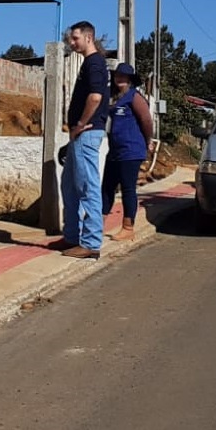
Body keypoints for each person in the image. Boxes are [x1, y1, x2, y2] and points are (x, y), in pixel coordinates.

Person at [58, 21, 109, 259]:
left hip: (86, 133)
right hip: (79, 135)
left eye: (75, 38)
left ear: (89, 37)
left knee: (87, 187)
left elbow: (96, 97)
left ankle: (90, 243)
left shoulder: (95, 62)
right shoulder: (89, 63)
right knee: (69, 185)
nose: (71, 42)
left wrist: (80, 124)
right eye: (71, 38)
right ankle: (71, 237)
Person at [103, 63, 155, 241]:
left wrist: (147, 141)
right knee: (107, 187)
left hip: (131, 150)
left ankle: (128, 227)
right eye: (118, 75)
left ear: (130, 80)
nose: (120, 79)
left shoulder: (135, 97)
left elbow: (146, 120)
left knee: (127, 189)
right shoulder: (113, 97)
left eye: (124, 77)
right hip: (115, 150)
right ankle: (98, 223)